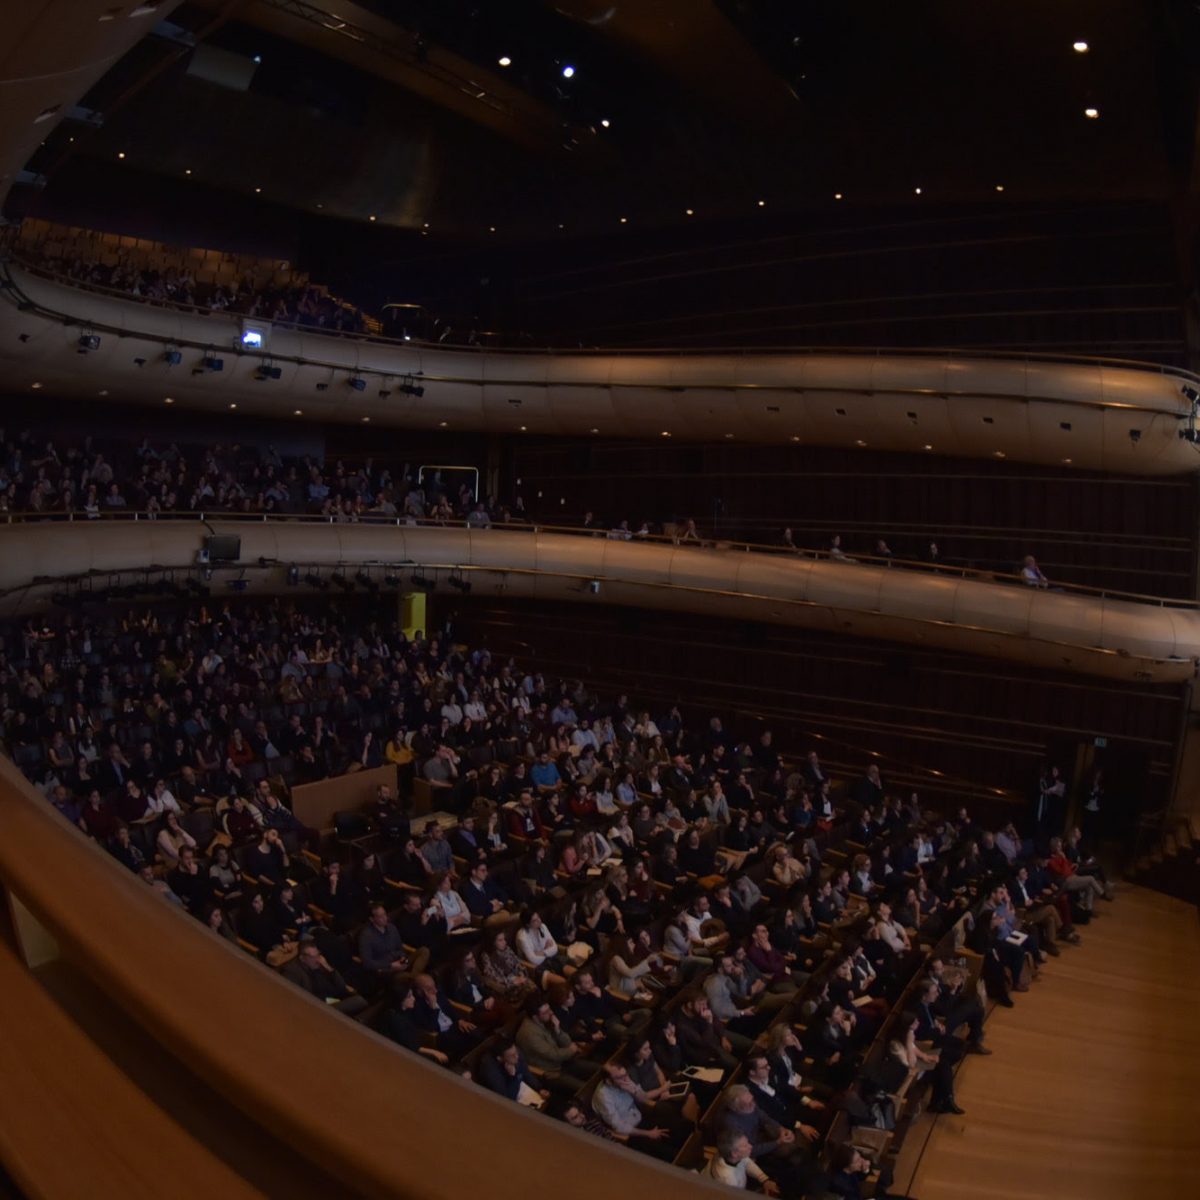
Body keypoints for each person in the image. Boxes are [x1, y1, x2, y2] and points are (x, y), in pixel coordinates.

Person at [590, 1062, 690, 1159]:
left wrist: (633, 1090)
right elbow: (618, 1126)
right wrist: (648, 1133)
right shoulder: (603, 1097)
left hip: (640, 1117)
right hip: (631, 1133)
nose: (625, 1079)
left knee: (678, 1126)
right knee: (666, 1151)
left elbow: (644, 1098)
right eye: (620, 1077)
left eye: (625, 1074)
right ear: (609, 1081)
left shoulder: (626, 1080)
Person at [515, 998, 604, 1093]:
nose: (551, 1013)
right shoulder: (529, 1034)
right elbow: (553, 1055)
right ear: (535, 1017)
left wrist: (558, 1030)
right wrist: (571, 1050)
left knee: (601, 1069)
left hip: (563, 1061)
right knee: (585, 1088)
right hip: (550, 1071)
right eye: (546, 1012)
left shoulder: (547, 1020)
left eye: (549, 1009)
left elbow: (567, 1042)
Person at [283, 942, 368, 1016]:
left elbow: (341, 986)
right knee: (359, 1001)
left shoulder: (320, 965)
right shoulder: (293, 971)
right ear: (302, 958)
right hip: (320, 1007)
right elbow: (294, 999)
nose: (317, 960)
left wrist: (329, 968)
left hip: (335, 997)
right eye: (313, 957)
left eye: (318, 955)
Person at [703, 1131, 780, 1194]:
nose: (750, 1146)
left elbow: (746, 1162)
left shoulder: (728, 1155)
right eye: (745, 1145)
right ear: (734, 1153)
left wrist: (764, 1180)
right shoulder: (729, 1180)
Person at [478, 1041, 550, 1106]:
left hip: (522, 1090)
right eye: (512, 1055)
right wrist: (513, 1077)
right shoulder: (491, 1070)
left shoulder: (515, 1053)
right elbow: (507, 1098)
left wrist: (539, 1088)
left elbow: (526, 1072)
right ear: (500, 1059)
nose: (517, 1056)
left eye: (516, 1052)